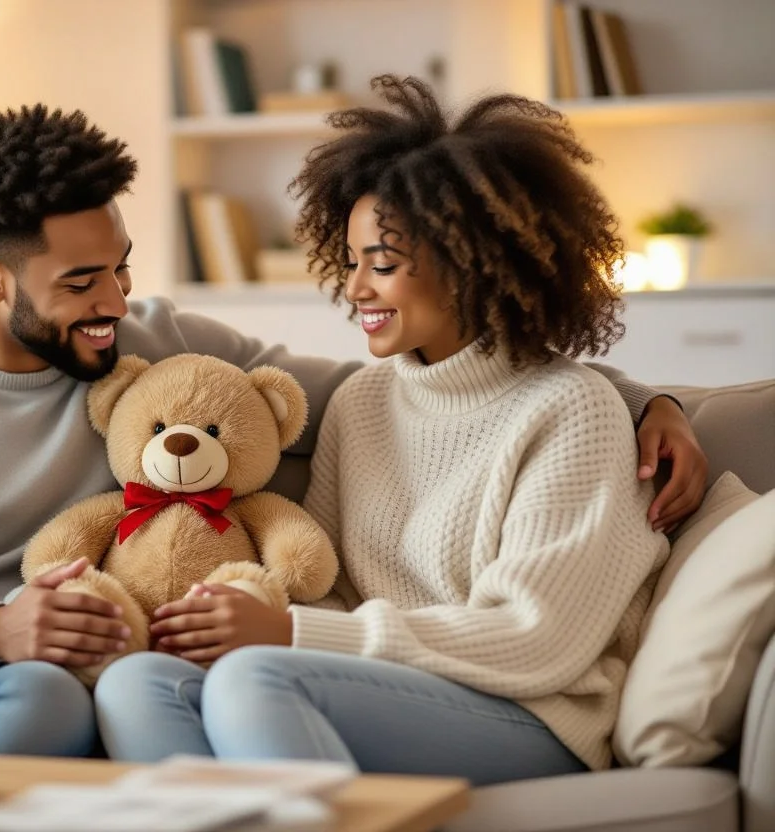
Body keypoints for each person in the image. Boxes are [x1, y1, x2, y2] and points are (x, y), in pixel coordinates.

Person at [0, 102, 704, 757]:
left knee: (85, 693)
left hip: (38, 681)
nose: (115, 303)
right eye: (81, 282)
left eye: (122, 268)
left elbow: (464, 378)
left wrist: (649, 399)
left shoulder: (163, 341)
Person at [94, 77, 687, 784]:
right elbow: (331, 588)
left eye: (383, 265)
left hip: (532, 713)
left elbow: (537, 641)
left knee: (255, 681)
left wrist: (290, 635)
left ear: (475, 263)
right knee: (137, 684)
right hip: (368, 687)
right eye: (350, 263)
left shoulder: (573, 411)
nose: (355, 290)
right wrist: (237, 612)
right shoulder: (363, 400)